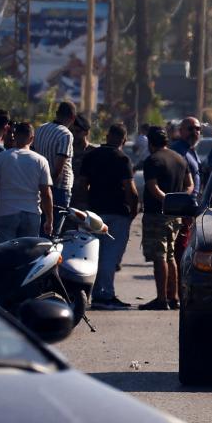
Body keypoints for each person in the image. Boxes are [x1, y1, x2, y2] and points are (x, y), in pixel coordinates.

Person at [77, 123, 141, 310]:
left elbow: (82, 185)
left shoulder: (91, 156)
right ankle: (104, 294)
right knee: (110, 256)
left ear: (107, 136)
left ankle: (92, 292)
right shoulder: (123, 159)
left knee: (92, 255)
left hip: (94, 212)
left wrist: (85, 204)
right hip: (117, 213)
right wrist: (133, 211)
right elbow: (131, 190)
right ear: (123, 139)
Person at [140, 126, 192, 311]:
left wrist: (167, 200)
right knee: (171, 256)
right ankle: (174, 297)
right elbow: (190, 185)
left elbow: (152, 187)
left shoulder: (152, 160)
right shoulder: (179, 158)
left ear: (150, 143)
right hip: (175, 216)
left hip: (157, 215)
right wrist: (179, 201)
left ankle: (161, 299)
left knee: (159, 256)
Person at [0, 122, 54, 239]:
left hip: (5, 213)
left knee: (2, 253)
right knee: (26, 254)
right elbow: (46, 193)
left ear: (14, 136)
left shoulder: (1, 157)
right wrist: (49, 219)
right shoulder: (41, 161)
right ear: (32, 139)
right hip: (31, 215)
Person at [32, 101, 77, 214]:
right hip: (58, 189)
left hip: (38, 185)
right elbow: (58, 170)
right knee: (53, 227)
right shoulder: (66, 135)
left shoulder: (40, 129)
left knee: (41, 224)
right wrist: (49, 190)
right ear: (73, 117)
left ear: (56, 113)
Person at [68, 114, 93, 211]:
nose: (74, 134)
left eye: (77, 131)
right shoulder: (65, 151)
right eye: (71, 131)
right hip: (66, 199)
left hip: (85, 202)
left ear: (86, 132)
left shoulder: (93, 152)